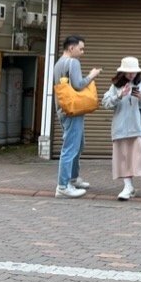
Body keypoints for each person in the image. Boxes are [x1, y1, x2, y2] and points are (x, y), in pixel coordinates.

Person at [101, 56, 141, 202]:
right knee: (123, 158)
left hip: (139, 128)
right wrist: (119, 95)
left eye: (133, 72)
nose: (131, 74)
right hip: (120, 129)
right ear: (123, 72)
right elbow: (105, 103)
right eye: (128, 72)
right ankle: (128, 187)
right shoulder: (115, 86)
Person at [53, 35, 101, 198]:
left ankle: (72, 178)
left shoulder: (59, 63)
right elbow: (78, 84)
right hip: (72, 110)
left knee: (78, 144)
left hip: (63, 109)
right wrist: (92, 75)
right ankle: (63, 186)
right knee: (71, 147)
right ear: (71, 48)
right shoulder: (73, 62)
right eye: (81, 49)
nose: (82, 52)